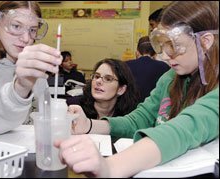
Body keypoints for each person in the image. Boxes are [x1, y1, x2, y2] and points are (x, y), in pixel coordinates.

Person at [55, 1, 219, 177]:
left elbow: (185, 129)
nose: (165, 55)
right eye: (162, 45)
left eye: (174, 45)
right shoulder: (170, 78)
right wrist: (89, 125)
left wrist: (110, 168)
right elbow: (138, 120)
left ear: (205, 41)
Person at [0, 1, 62, 135]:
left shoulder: (30, 60)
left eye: (32, 30)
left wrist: (62, 115)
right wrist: (20, 87)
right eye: (16, 26)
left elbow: (44, 110)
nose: (26, 39)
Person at [67, 58, 140, 120]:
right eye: (97, 76)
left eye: (108, 79)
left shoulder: (129, 116)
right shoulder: (73, 106)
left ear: (121, 89)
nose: (98, 81)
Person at [126, 36, 170, 103]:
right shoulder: (164, 66)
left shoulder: (125, 65)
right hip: (153, 106)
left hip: (128, 107)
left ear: (137, 52)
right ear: (155, 52)